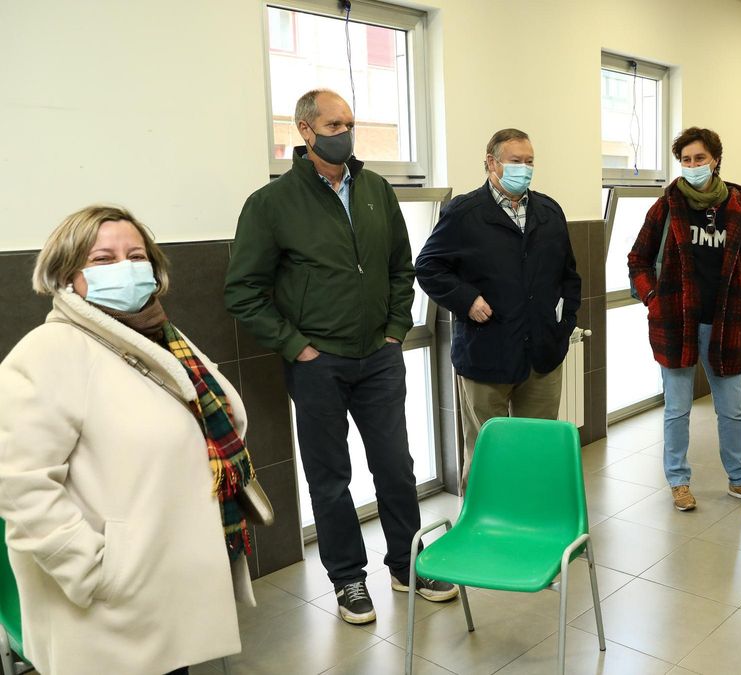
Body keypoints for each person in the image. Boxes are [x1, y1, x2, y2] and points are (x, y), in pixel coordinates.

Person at [224, 88, 456, 626]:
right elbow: (243, 292)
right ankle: (349, 580)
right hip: (317, 364)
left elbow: (403, 267)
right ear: (305, 131)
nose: (344, 132)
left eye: (350, 122)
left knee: (396, 467)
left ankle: (408, 564)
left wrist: (397, 329)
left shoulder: (375, 189)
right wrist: (294, 346)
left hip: (378, 356)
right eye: (333, 124)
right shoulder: (272, 203)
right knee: (329, 478)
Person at [0, 205, 256, 675]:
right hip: (109, 606)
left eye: (136, 255)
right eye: (102, 259)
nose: (126, 267)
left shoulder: (159, 338)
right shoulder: (49, 352)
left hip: (161, 589)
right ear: (66, 275)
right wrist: (94, 572)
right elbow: (18, 485)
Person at [415, 128, 581, 490]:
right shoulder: (464, 212)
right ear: (491, 163)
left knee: (537, 452)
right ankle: (479, 533)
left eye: (529, 162)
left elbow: (569, 276)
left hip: (542, 355)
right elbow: (428, 266)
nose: (524, 168)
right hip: (486, 352)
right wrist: (466, 300)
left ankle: (533, 528)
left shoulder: (549, 212)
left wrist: (564, 325)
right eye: (515, 161)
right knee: (486, 455)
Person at [628, 127, 741, 512]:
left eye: (699, 159)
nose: (692, 166)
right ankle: (678, 481)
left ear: (716, 160)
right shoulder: (667, 207)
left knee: (732, 408)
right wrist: (653, 298)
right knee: (677, 408)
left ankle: (740, 479)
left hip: (725, 324)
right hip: (676, 322)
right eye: (686, 160)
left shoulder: (739, 206)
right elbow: (637, 259)